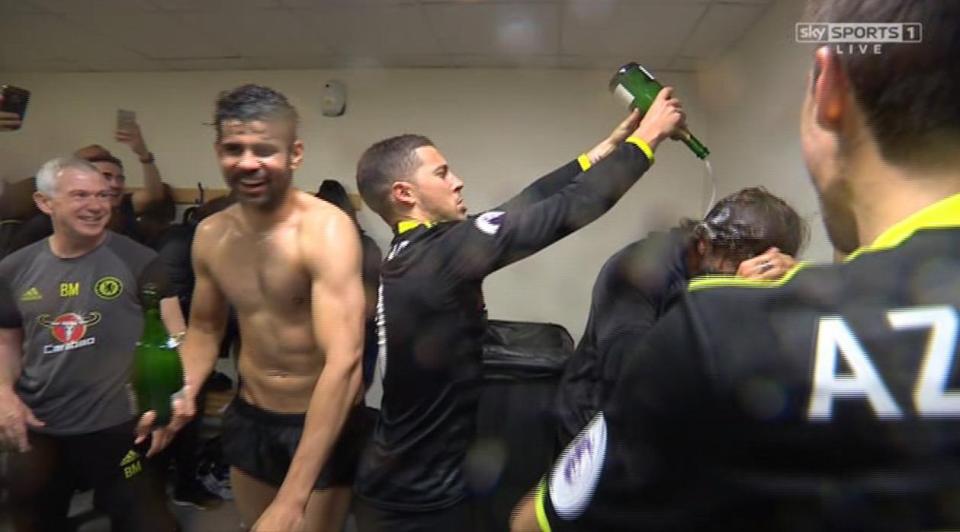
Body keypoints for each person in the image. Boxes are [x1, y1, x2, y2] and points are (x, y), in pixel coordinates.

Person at [511, 1, 960, 530]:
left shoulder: (735, 323)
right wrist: (738, 300)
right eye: (745, 261)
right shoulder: (643, 271)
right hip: (593, 425)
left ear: (829, 88)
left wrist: (782, 303)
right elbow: (629, 375)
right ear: (702, 247)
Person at [352, 87, 685, 531]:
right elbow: (568, 209)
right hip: (417, 499)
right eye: (442, 172)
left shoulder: (420, 250)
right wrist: (648, 138)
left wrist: (608, 148)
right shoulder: (443, 254)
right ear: (404, 193)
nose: (458, 181)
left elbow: (523, 206)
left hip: (404, 479)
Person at [169, 84, 367, 532]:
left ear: (295, 154)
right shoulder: (211, 235)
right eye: (234, 148)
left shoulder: (326, 232)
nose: (248, 162)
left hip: (319, 417)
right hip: (251, 414)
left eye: (264, 149)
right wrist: (182, 390)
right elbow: (203, 330)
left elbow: (346, 361)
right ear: (219, 150)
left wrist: (293, 498)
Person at [0, 157, 183, 532]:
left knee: (149, 523)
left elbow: (176, 334)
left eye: (102, 194)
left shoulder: (140, 261)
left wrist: (170, 395)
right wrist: (3, 392)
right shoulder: (13, 269)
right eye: (80, 195)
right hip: (40, 424)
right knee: (31, 519)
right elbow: (7, 341)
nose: (96, 204)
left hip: (120, 424)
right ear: (44, 202)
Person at [555, 186, 806, 445]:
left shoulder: (740, 278)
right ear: (703, 244)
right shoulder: (637, 271)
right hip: (598, 427)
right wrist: (730, 302)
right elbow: (635, 379)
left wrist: (801, 282)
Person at [9, 118, 169, 250]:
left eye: (120, 178)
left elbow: (154, 194)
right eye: (106, 176)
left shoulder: (124, 205)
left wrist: (143, 154)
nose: (115, 184)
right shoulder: (45, 224)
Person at [315, 179, 383, 387]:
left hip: (353, 340)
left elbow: (369, 306)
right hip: (354, 340)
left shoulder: (363, 247)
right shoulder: (366, 246)